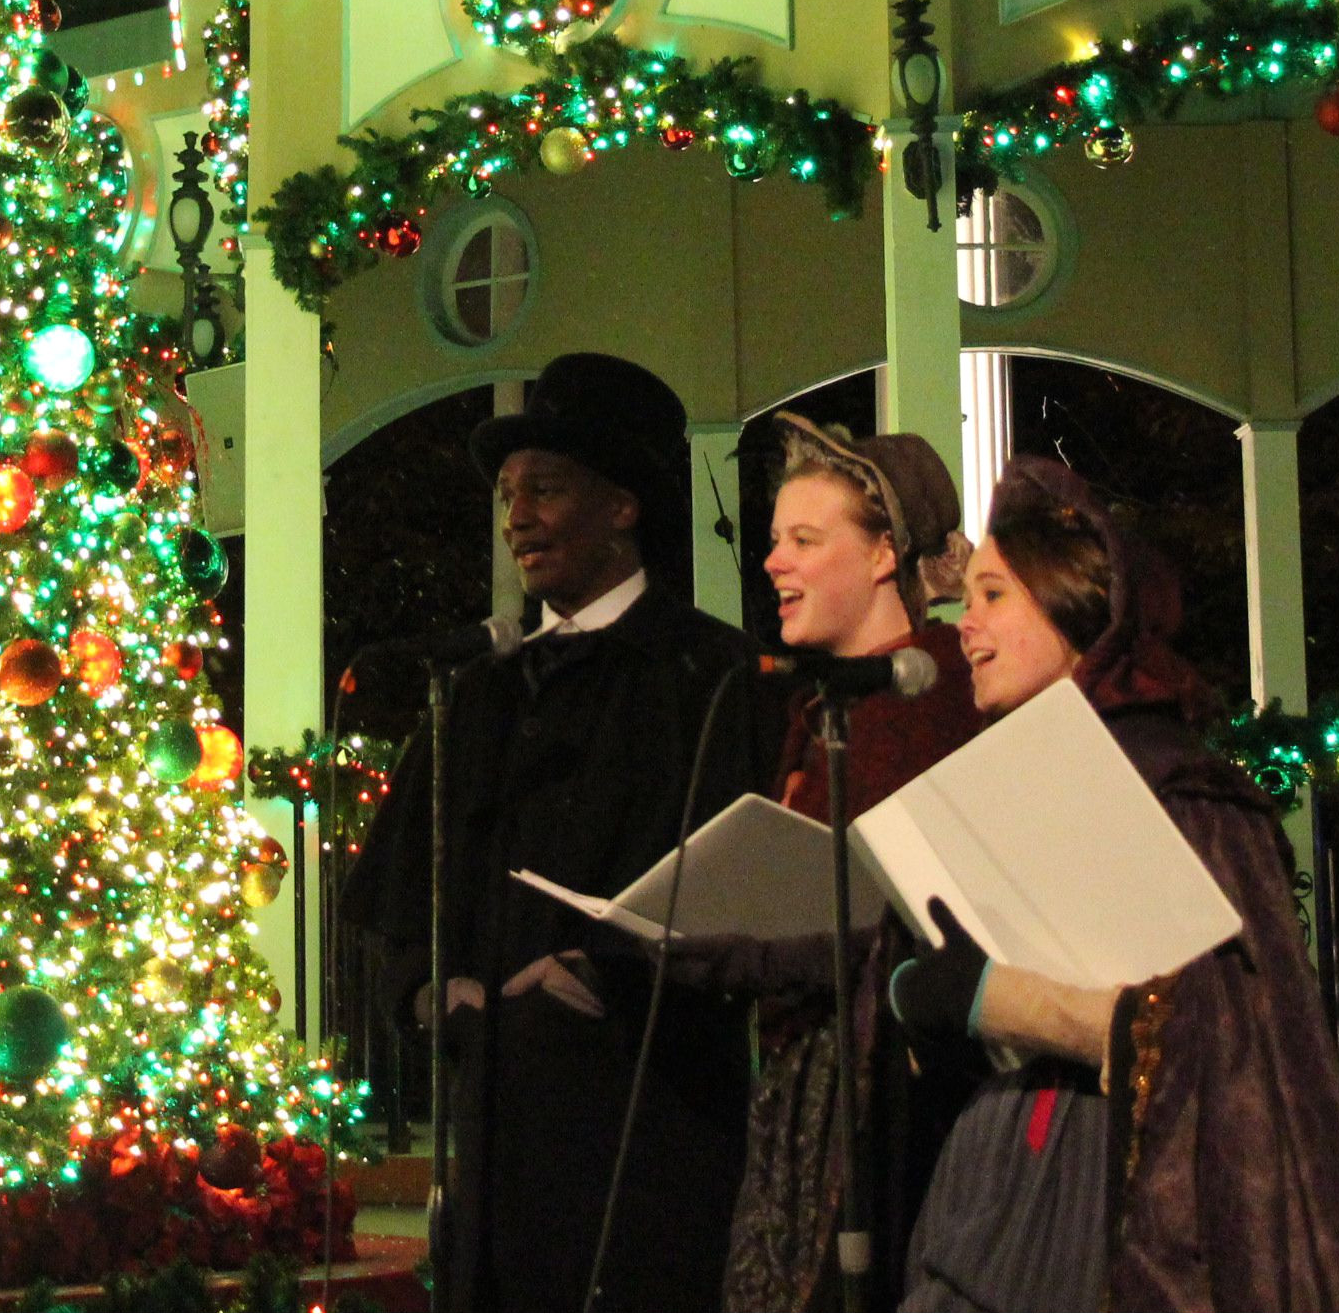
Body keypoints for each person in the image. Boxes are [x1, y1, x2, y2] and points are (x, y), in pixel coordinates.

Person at [886, 458, 1339, 1312]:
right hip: (1008, 1181)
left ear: (1076, 604)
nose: (963, 624)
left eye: (994, 595)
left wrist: (991, 999)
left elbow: (1232, 1040)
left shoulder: (1183, 793)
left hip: (1118, 1205)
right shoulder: (1023, 784)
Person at [344, 353, 763, 1311]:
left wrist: (600, 971)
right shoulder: (476, 691)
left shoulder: (710, 675)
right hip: (497, 1144)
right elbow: (401, 913)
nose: (517, 516)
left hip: (651, 1131)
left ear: (622, 507)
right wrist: (425, 989)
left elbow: (738, 900)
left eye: (546, 488)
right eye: (506, 492)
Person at [655, 417, 990, 1310]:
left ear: (885, 555)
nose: (773, 562)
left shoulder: (932, 694)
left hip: (894, 1111)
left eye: (805, 540)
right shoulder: (825, 705)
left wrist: (716, 943)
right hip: (806, 1089)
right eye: (773, 541)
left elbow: (891, 925)